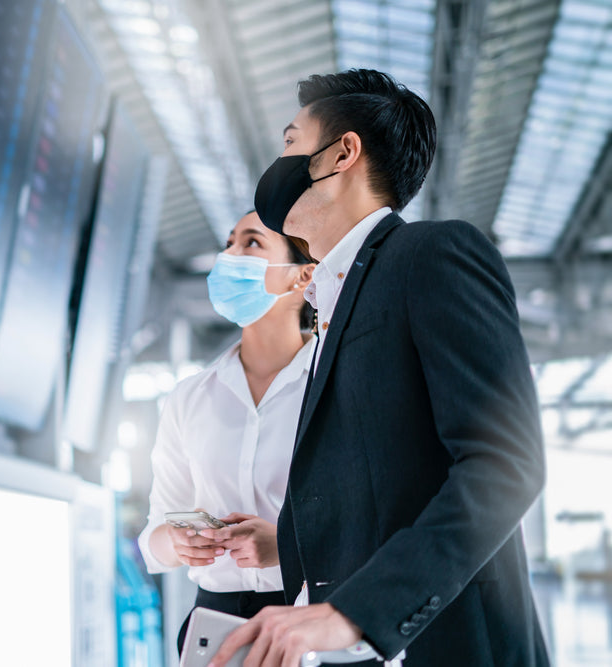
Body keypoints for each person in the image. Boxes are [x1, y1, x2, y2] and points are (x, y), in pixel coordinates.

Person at [207, 69, 549, 667]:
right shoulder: (333, 304)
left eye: (291, 142)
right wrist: (289, 546)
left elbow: (506, 463)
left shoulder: (433, 255)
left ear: (341, 153)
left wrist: (357, 612)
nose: (279, 161)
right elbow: (387, 474)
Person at [136, 210, 316, 654]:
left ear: (302, 277)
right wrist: (178, 543)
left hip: (311, 619)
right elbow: (154, 537)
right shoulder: (188, 398)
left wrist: (287, 547)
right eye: (230, 243)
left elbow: (374, 526)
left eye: (252, 243)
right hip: (213, 627)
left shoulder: (337, 387)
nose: (229, 256)